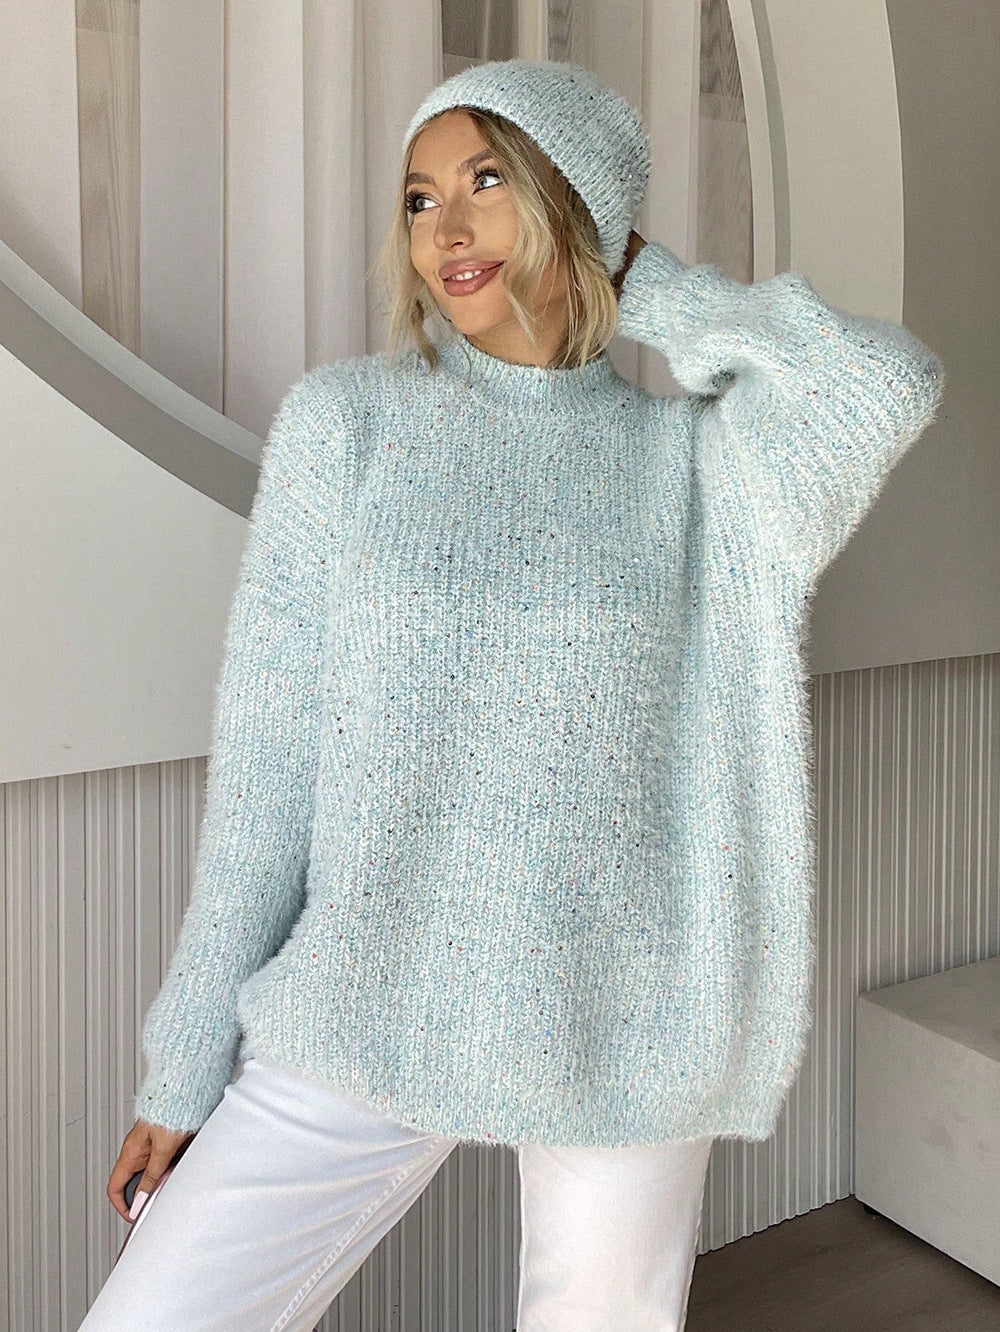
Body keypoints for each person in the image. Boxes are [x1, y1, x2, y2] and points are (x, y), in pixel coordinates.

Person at [79, 57, 945, 1332]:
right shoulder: (348, 427)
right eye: (419, 197)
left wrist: (645, 279)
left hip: (627, 1010)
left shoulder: (704, 468)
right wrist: (186, 1060)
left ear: (572, 198)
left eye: (487, 180)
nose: (447, 227)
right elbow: (268, 771)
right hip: (373, 987)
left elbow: (881, 383)